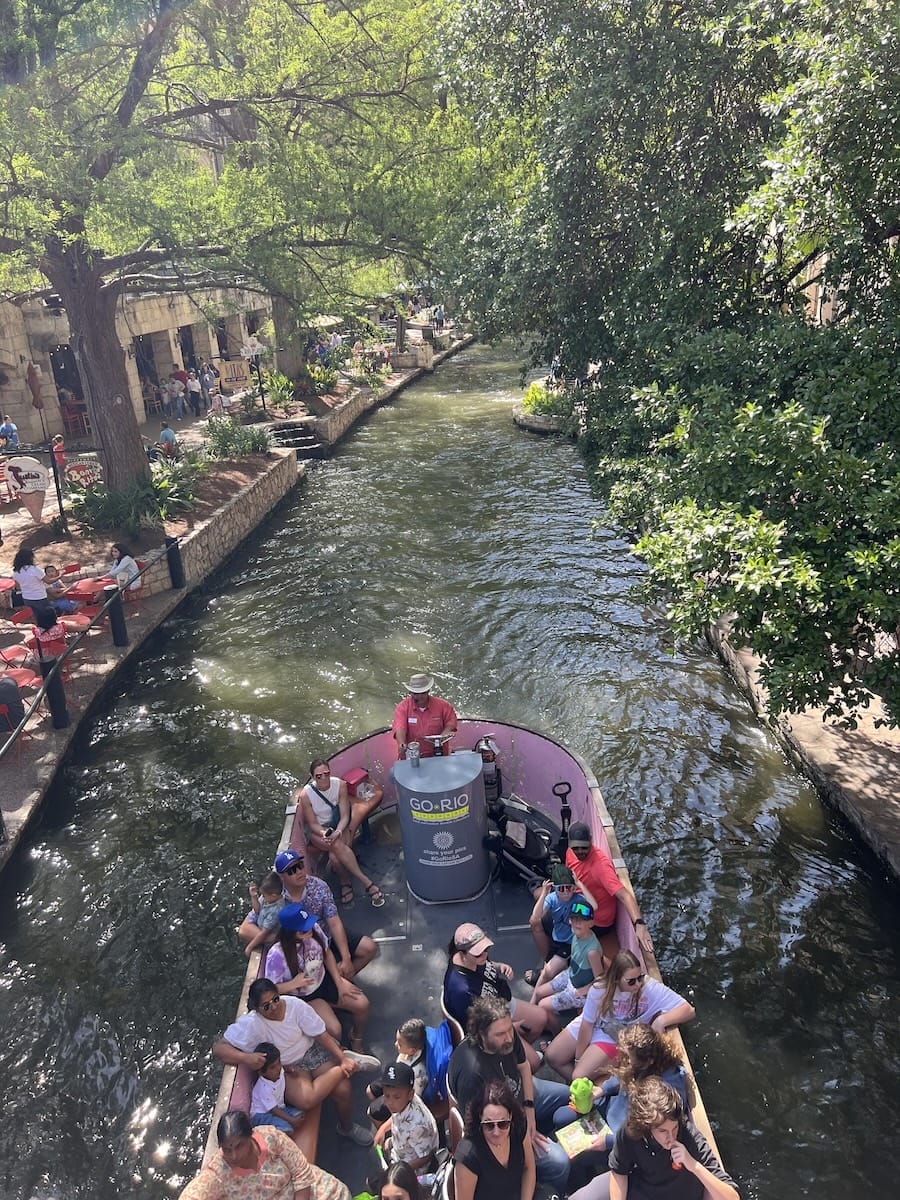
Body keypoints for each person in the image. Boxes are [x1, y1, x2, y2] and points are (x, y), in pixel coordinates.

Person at [212, 978, 378, 1153]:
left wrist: (339, 1057)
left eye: (275, 999)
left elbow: (321, 1035)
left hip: (311, 1050)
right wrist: (246, 1058)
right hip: (287, 1065)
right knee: (306, 1099)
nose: (274, 1007)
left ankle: (346, 1127)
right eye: (266, 1006)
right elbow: (219, 1049)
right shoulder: (252, 1024)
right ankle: (348, 1066)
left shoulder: (294, 1006)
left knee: (343, 1089)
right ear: (257, 1009)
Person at [447, 997, 571, 1193]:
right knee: (559, 1162)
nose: (509, 1038)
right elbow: (484, 1127)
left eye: (509, 1030)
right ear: (481, 1034)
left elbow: (523, 1067)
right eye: (500, 1034)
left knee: (569, 1095)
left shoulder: (506, 1037)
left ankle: (542, 1130)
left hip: (522, 1098)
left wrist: (529, 1112)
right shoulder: (472, 1076)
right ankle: (546, 1190)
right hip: (505, 1124)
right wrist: (522, 1130)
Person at [567, 1078, 739, 1200]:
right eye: (663, 1131)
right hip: (643, 1189)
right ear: (646, 1127)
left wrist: (693, 1165)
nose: (671, 1137)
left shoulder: (690, 1136)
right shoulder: (631, 1131)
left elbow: (732, 1197)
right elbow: (619, 1173)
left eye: (674, 1128)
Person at [546, 951, 696, 1083]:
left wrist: (661, 1020)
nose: (637, 984)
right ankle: (582, 1089)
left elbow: (688, 1010)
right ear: (616, 979)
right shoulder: (600, 989)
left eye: (640, 977)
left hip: (614, 1037)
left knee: (578, 1076)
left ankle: (586, 1092)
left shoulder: (649, 988)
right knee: (552, 1056)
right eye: (631, 981)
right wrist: (579, 1058)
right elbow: (587, 1025)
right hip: (595, 1024)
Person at [237, 848, 378, 984]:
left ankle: (341, 979)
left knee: (368, 948)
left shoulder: (319, 887)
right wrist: (280, 940)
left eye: (300, 865)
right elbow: (244, 929)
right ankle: (334, 985)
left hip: (325, 935)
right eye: (292, 870)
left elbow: (334, 922)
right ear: (281, 877)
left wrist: (346, 958)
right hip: (301, 952)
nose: (299, 872)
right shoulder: (274, 896)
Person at [178, 1108, 350, 1200]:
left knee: (339, 1193)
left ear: (250, 1136)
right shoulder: (218, 1172)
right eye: (227, 1149)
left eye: (239, 1146)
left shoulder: (270, 1137)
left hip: (303, 1191)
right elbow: (193, 1194)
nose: (234, 1156)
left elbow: (301, 1172)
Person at [264, 903, 371, 1049]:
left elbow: (327, 953)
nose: (309, 930)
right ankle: (336, 1052)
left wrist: (339, 983)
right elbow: (270, 989)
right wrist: (293, 984)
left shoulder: (314, 929)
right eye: (304, 930)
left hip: (323, 980)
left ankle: (356, 1037)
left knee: (362, 1004)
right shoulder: (276, 955)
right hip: (304, 996)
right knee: (335, 1029)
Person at [443, 923, 549, 1049]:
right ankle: (516, 1056)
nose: (484, 955)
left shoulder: (476, 958)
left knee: (541, 1018)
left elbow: (486, 964)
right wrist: (508, 1028)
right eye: (478, 954)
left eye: (486, 949)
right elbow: (477, 1028)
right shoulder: (461, 991)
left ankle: (519, 1049)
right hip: (489, 1025)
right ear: (462, 954)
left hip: (500, 1002)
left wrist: (499, 967)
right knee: (535, 1062)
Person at [295, 759, 384, 907]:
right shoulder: (306, 795)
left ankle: (345, 883)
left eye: (326, 774)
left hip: (338, 826)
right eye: (319, 776)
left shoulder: (340, 785)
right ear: (312, 777)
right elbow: (312, 824)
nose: (323, 779)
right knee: (335, 845)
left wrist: (338, 831)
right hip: (319, 831)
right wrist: (325, 833)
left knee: (335, 857)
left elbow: (344, 816)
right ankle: (367, 883)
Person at [566, 823, 653, 960]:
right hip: (580, 901)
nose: (580, 852)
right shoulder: (570, 853)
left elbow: (625, 895)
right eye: (576, 848)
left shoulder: (601, 867)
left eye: (584, 847)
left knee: (564, 935)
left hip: (598, 920)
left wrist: (639, 924)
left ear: (591, 840)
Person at [530, 896, 604, 1032]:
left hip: (580, 990)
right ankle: (543, 1018)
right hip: (571, 975)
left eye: (582, 920)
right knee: (539, 991)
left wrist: (582, 991)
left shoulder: (591, 951)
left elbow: (600, 980)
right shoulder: (575, 934)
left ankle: (556, 1033)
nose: (577, 923)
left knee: (542, 1005)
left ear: (592, 923)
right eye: (574, 919)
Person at [454, 1080, 534, 1200]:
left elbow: (529, 1168)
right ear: (480, 1117)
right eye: (489, 1125)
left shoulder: (519, 1126)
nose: (496, 1132)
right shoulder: (468, 1156)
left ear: (510, 1116)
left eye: (503, 1124)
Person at [373, 1061, 439, 1171]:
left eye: (396, 1097)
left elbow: (426, 1157)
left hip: (412, 1168)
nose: (389, 1102)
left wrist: (400, 1169)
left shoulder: (418, 1127)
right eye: (387, 1095)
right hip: (401, 1145)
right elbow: (397, 1116)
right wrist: (383, 1129)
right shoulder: (401, 1105)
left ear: (410, 1095)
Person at [368, 1017, 428, 1123]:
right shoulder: (407, 1052)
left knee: (372, 1112)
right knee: (370, 1091)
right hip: (394, 1076)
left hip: (401, 1092)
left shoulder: (418, 1074)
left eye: (400, 1044)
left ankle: (385, 1129)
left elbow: (411, 1100)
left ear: (412, 1050)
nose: (395, 1044)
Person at [526, 865, 578, 980]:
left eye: (568, 889)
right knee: (537, 897)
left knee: (547, 974)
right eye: (561, 889)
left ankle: (551, 971)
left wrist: (581, 886)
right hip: (558, 937)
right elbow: (536, 916)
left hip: (570, 942)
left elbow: (593, 907)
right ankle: (548, 963)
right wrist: (544, 892)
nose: (565, 893)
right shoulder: (552, 898)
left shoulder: (578, 899)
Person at [391, 673, 457, 759]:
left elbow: (451, 723)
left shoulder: (443, 705)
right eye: (416, 694)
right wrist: (401, 743)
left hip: (439, 756)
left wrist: (442, 738)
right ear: (410, 692)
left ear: (428, 691)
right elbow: (400, 727)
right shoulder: (402, 707)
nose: (419, 696)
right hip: (413, 756)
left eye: (422, 693)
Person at [250, 1042, 304, 1135]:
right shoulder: (264, 1088)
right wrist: (291, 1120)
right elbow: (274, 1110)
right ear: (262, 1073)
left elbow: (284, 1068)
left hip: (279, 1107)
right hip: (262, 1114)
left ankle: (282, 1123)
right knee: (286, 1128)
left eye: (278, 1062)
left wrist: (291, 1070)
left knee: (300, 1114)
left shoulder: (279, 1070)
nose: (278, 1068)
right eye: (272, 1067)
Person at [244, 871, 286, 958]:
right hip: (261, 925)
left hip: (270, 935)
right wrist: (254, 897)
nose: (263, 897)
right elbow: (257, 910)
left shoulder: (276, 911)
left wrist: (250, 947)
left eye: (264, 895)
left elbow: (264, 933)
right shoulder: (267, 898)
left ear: (274, 895)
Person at [12, 547, 54, 617]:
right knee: (47, 616)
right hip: (39, 597)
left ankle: (39, 627)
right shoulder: (35, 569)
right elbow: (48, 581)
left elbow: (18, 587)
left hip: (27, 598)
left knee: (35, 616)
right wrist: (60, 576)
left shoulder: (16, 572)